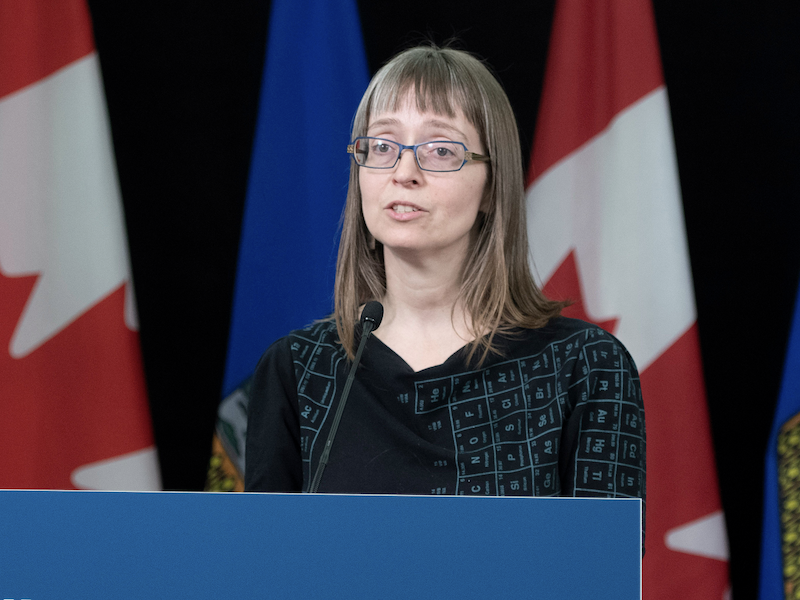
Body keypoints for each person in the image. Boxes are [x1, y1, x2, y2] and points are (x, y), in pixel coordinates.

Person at [244, 45, 645, 506]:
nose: (404, 172)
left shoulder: (583, 367)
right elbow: (267, 569)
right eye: (382, 146)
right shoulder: (297, 371)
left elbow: (602, 574)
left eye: (439, 150)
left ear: (494, 186)